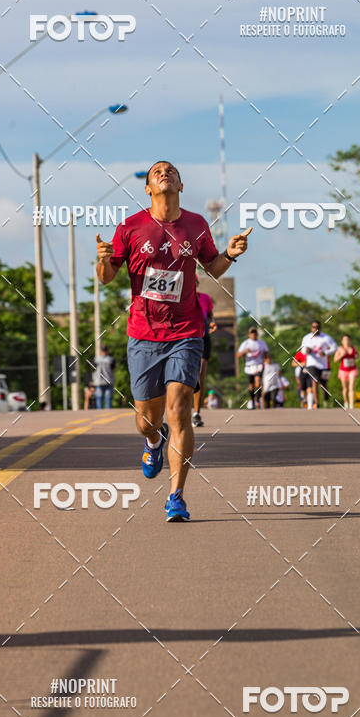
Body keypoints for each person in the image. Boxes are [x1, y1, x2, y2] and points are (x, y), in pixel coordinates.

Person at [95, 160, 251, 522]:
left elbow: (211, 266)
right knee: (146, 421)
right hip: (143, 335)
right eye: (157, 173)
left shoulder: (196, 225)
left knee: (179, 409)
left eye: (171, 171)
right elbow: (107, 277)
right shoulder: (130, 227)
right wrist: (101, 261)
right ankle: (153, 442)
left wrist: (230, 253)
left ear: (181, 185)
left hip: (186, 332)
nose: (164, 174)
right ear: (148, 189)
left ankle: (176, 496)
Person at [192, 277, 217, 427]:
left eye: (194, 283)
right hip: (184, 340)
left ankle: (196, 413)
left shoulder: (205, 298)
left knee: (200, 374)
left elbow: (210, 315)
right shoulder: (179, 299)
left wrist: (212, 322)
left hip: (203, 338)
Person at [299, 319, 337, 409]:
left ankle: (325, 400)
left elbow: (334, 347)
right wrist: (306, 350)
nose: (315, 329)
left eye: (317, 327)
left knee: (324, 384)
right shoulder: (307, 338)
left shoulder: (326, 338)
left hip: (323, 365)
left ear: (320, 328)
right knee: (314, 381)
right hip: (312, 363)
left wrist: (325, 353)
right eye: (313, 327)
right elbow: (302, 349)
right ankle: (316, 403)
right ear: (311, 328)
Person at [237, 326, 268, 409]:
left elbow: (266, 353)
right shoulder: (246, 343)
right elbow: (238, 355)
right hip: (249, 366)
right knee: (251, 385)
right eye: (252, 333)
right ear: (249, 334)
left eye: (255, 333)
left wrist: (267, 360)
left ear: (257, 334)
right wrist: (245, 351)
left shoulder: (262, 343)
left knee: (258, 382)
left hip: (259, 365)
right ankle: (253, 401)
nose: (254, 334)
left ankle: (258, 400)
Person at [334, 335, 359, 409]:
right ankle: (346, 402)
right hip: (343, 370)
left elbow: (357, 355)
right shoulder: (340, 349)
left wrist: (356, 356)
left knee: (352, 387)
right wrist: (342, 355)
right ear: (342, 341)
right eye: (344, 340)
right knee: (345, 388)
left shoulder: (354, 348)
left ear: (350, 341)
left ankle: (351, 404)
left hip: (352, 369)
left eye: (348, 339)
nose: (346, 341)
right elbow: (335, 360)